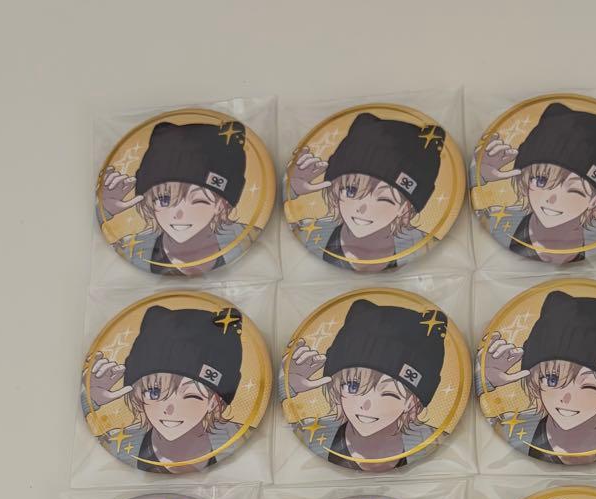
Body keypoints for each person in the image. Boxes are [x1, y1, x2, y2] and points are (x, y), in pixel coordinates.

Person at [482, 290, 596, 463]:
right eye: (552, 380)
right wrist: (484, 381)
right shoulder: (512, 428)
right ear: (537, 381)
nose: (566, 398)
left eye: (589, 386)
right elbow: (479, 430)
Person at [284, 299, 446, 471]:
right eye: (352, 386)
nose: (365, 405)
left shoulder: (431, 440)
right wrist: (288, 387)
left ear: (411, 402)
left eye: (388, 394)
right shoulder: (314, 431)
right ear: (337, 387)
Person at [84, 305, 244, 472]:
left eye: (191, 396)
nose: (169, 409)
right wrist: (90, 399)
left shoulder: (238, 438)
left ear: (214, 402)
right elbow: (83, 444)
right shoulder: (121, 443)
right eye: (154, 393)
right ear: (139, 395)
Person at [475, 103, 596, 264]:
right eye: (541, 181)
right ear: (525, 180)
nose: (551, 199)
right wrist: (478, 175)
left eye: (574, 190)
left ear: (595, 201)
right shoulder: (497, 221)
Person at [286, 113, 445, 271]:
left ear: (404, 208)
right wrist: (290, 189)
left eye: (384, 199)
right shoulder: (313, 234)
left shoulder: (422, 246)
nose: (362, 208)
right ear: (336, 191)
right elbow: (284, 230)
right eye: (351, 191)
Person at [99, 120, 252, 275]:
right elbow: (92, 255)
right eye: (164, 200)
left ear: (220, 206)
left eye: (198, 201)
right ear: (150, 203)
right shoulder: (132, 250)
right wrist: (103, 210)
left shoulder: (247, 239)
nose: (178, 214)